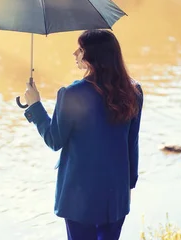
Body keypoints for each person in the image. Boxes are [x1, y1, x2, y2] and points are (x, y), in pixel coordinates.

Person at [22, 29, 143, 240]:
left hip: (79, 196)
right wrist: (129, 184)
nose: (74, 54)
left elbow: (54, 140)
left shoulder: (71, 94)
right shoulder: (133, 91)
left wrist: (35, 105)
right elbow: (132, 142)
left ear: (92, 58)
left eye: (80, 49)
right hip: (116, 194)